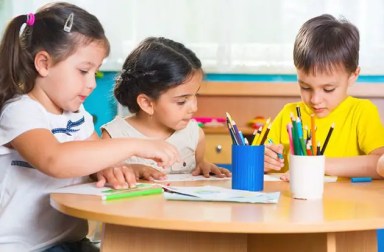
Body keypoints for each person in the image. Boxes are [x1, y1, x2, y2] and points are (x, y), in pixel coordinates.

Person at [0, 3, 179, 251]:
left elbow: (96, 161)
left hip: (70, 241)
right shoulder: (20, 111)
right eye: (84, 70)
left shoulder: (76, 114)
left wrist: (125, 169)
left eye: (95, 72)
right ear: (44, 63)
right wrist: (137, 144)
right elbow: (55, 160)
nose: (92, 83)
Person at [265, 14, 384, 179]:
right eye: (305, 87)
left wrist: (318, 165)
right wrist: (263, 159)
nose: (315, 99)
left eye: (328, 89)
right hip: (293, 203)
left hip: (347, 203)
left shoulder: (361, 112)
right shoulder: (289, 114)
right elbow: (262, 158)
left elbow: (380, 164)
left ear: (353, 75)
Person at [101, 37, 231, 181]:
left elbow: (197, 171)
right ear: (147, 103)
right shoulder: (115, 135)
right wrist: (135, 170)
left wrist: (203, 165)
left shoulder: (194, 135)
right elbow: (104, 174)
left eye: (196, 95)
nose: (194, 107)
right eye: (182, 101)